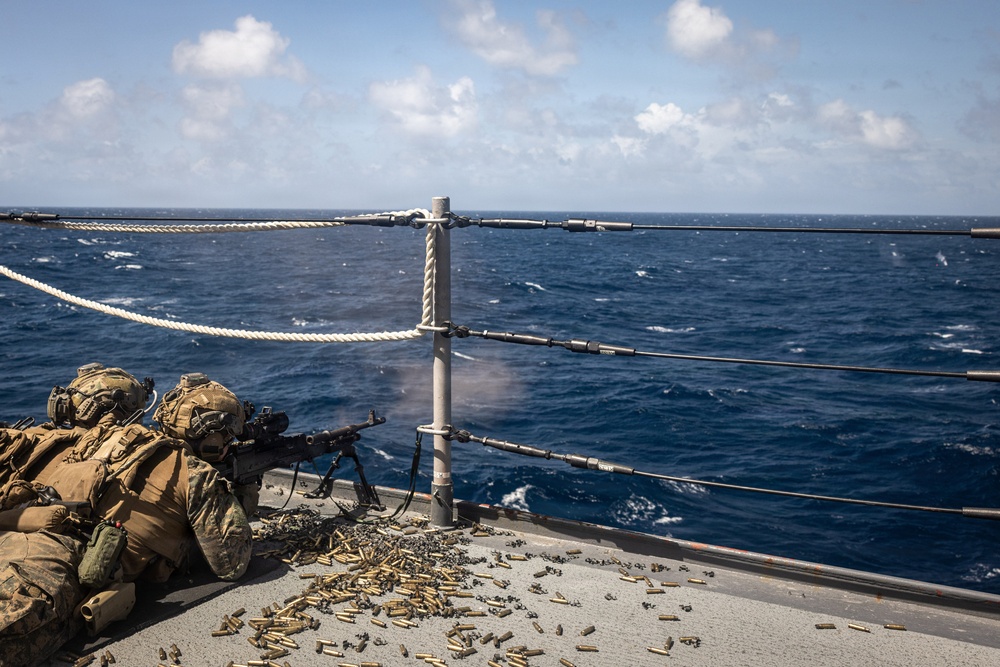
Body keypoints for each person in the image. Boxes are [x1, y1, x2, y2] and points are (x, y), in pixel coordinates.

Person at [0, 368, 254, 667]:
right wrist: (242, 496)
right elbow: (231, 563)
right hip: (43, 575)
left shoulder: (77, 440)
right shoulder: (194, 472)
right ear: (211, 435)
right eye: (225, 439)